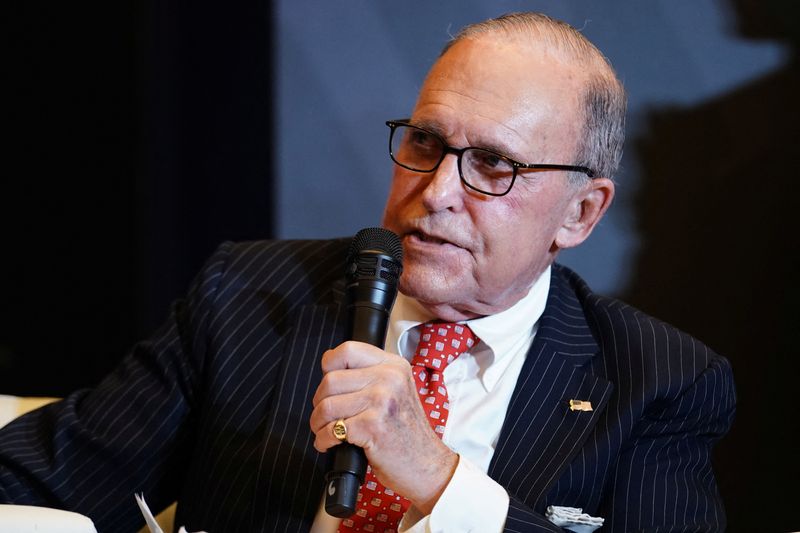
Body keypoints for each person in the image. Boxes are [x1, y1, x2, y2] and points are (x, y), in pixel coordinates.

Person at [0, 12, 735, 533]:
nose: (437, 190)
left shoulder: (657, 380)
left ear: (580, 214)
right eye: (425, 141)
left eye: (492, 164)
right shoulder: (248, 296)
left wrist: (439, 481)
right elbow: (48, 474)